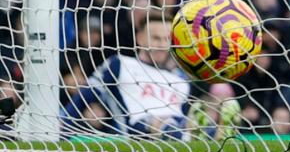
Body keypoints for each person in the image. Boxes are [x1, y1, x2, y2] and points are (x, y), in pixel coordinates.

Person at [61, 17, 192, 138]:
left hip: (177, 136)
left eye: (167, 39)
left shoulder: (181, 79)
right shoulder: (120, 65)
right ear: (140, 38)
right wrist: (62, 133)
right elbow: (83, 98)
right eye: (156, 38)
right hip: (137, 137)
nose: (162, 45)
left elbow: (185, 117)